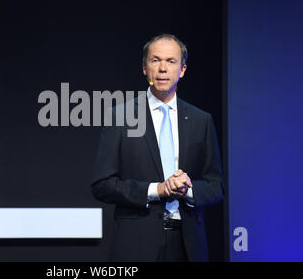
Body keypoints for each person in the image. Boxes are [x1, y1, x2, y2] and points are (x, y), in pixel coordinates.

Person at [91, 33, 224, 262]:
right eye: (155, 60)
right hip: (136, 246)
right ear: (144, 68)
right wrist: (157, 190)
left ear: (182, 70)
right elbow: (102, 185)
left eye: (171, 61)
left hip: (188, 246)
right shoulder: (120, 117)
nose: (163, 69)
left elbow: (216, 186)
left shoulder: (201, 120)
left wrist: (187, 190)